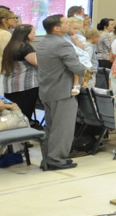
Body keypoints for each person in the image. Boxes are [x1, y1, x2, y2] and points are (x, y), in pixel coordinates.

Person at [36, 14, 87, 171]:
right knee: (63, 128)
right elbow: (77, 67)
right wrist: (86, 71)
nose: (69, 24)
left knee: (51, 127)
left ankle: (48, 157)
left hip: (47, 90)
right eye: (65, 23)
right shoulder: (62, 45)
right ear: (57, 28)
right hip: (62, 91)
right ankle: (56, 159)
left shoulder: (42, 42)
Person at [1, 24, 41, 122]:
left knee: (15, 113)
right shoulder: (25, 47)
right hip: (25, 85)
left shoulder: (11, 45)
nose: (35, 34)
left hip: (11, 84)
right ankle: (24, 133)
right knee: (24, 113)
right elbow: (37, 63)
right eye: (33, 32)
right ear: (26, 34)